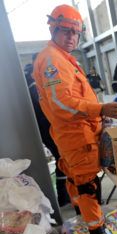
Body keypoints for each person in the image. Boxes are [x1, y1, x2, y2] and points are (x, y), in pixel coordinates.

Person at [33, 4, 117, 234]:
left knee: (80, 184)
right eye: (66, 31)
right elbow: (61, 103)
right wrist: (101, 109)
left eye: (76, 33)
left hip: (78, 136)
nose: (71, 37)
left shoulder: (62, 58)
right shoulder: (53, 59)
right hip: (76, 137)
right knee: (89, 187)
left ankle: (87, 225)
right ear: (53, 28)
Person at [24, 53, 70, 207]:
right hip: (47, 129)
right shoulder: (33, 84)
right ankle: (64, 197)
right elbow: (47, 107)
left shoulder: (36, 82)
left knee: (62, 159)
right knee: (62, 159)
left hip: (48, 128)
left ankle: (65, 196)